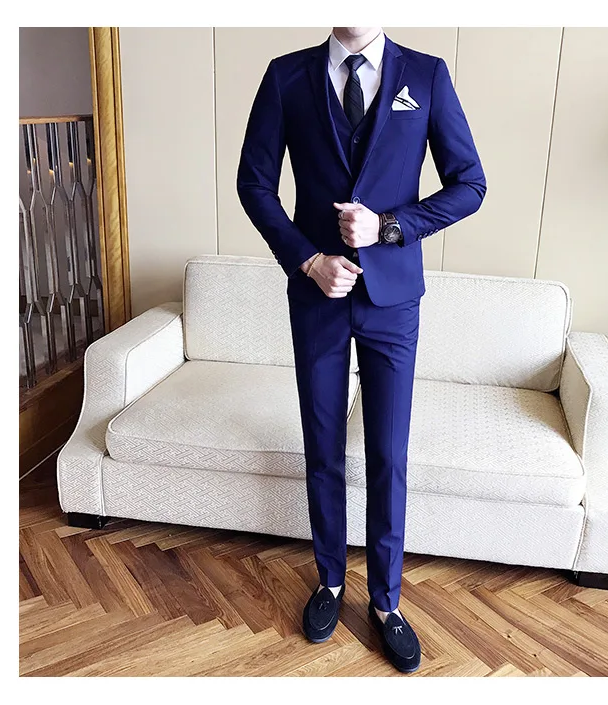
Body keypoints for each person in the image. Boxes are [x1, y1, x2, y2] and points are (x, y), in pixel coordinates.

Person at [237, 26, 486, 673]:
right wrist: (307, 259)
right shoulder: (286, 76)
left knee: (388, 453)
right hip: (317, 294)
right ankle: (329, 581)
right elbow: (253, 183)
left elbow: (470, 183)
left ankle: (386, 601)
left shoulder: (426, 76)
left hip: (393, 301)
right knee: (322, 446)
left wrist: (391, 226)